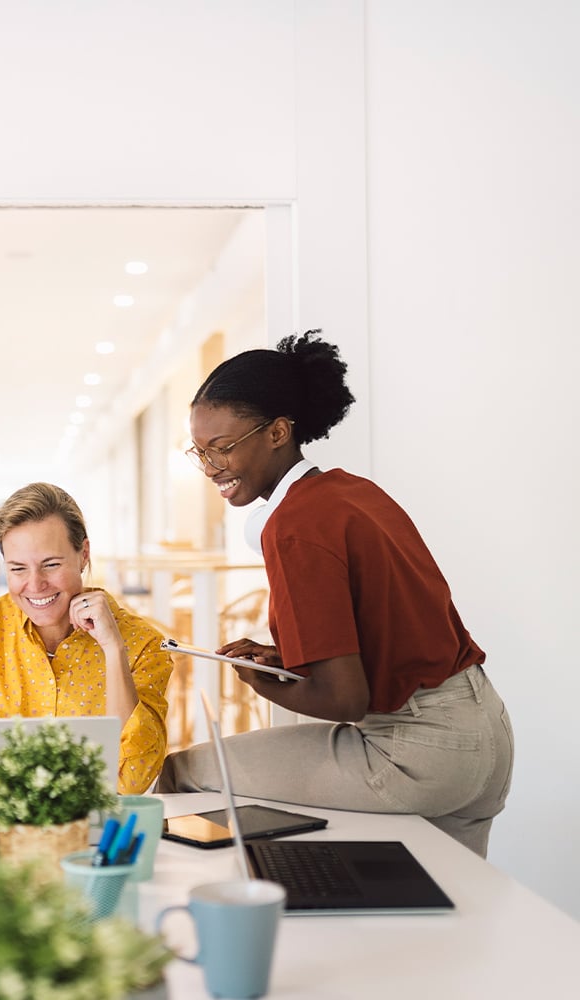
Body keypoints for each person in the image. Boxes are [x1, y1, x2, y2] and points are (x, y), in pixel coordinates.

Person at [157, 332, 513, 857]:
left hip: (417, 749)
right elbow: (386, 633)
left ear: (278, 432)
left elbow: (345, 699)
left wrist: (259, 681)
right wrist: (286, 661)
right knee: (449, 910)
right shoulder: (352, 492)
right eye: (200, 450)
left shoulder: (293, 527)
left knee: (182, 774)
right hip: (485, 729)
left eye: (224, 447)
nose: (211, 467)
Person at [0, 482, 172, 794]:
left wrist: (113, 650)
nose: (35, 584)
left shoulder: (143, 645)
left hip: (95, 829)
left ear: (83, 555)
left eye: (51, 565)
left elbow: (134, 780)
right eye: (18, 569)